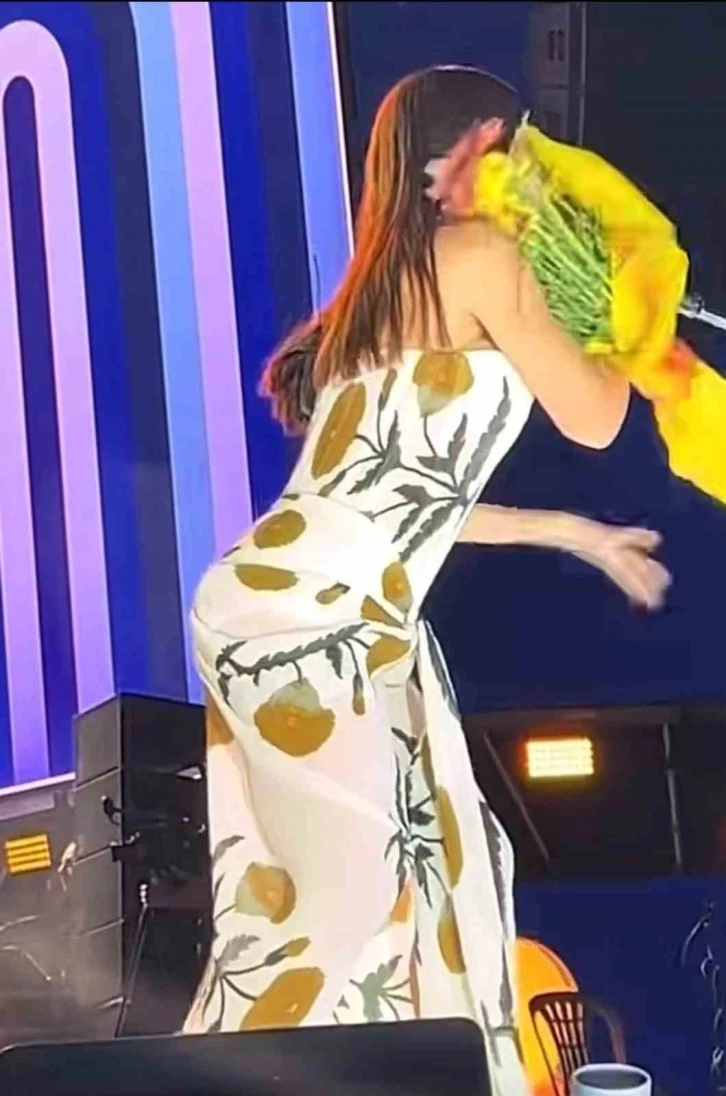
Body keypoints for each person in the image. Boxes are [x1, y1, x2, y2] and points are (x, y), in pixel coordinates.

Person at [183, 67, 667, 1095]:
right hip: (324, 616)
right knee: (361, 901)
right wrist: (619, 308)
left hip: (295, 602)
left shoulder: (375, 293)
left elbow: (405, 496)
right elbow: (596, 417)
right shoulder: (483, 254)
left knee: (397, 877)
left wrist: (570, 532)